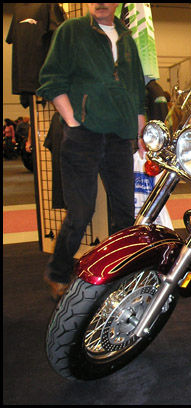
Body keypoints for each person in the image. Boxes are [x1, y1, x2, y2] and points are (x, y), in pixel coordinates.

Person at [37, 3, 146, 300]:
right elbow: (51, 79)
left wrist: (140, 133)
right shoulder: (70, 31)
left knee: (124, 213)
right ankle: (57, 273)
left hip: (119, 136)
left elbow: (137, 91)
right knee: (81, 211)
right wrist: (72, 120)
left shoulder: (127, 38)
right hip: (83, 134)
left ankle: (118, 274)